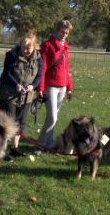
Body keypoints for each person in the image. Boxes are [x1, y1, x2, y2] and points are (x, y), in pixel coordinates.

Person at [0, 33, 43, 159]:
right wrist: (16, 84)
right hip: (9, 93)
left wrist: (32, 86)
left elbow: (39, 75)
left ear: (34, 47)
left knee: (20, 122)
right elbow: (7, 73)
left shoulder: (38, 58)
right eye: (23, 47)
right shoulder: (12, 55)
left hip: (26, 95)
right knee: (8, 122)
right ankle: (2, 150)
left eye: (28, 48)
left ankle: (14, 149)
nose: (25, 50)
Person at [35, 20, 73, 152]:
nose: (64, 35)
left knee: (53, 118)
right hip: (50, 86)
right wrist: (40, 88)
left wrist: (69, 88)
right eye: (62, 31)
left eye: (67, 33)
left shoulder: (66, 47)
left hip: (62, 87)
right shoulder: (47, 45)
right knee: (52, 117)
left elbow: (66, 69)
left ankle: (49, 143)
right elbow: (42, 68)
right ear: (57, 30)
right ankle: (40, 144)